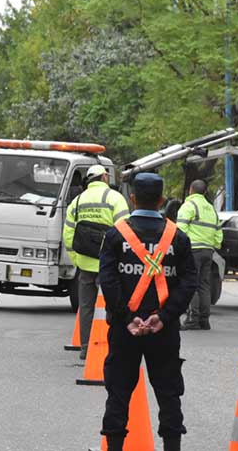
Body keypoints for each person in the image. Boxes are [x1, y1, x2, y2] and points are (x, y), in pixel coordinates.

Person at [98, 172, 197, 451]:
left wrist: (127, 318)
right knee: (168, 393)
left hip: (124, 330)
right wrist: (164, 317)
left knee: (118, 392)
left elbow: (107, 280)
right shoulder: (178, 238)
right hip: (162, 331)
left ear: (132, 198)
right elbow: (190, 281)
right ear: (162, 200)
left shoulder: (116, 236)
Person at [62, 165, 130, 360]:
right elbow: (125, 231)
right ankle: (111, 348)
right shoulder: (115, 198)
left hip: (85, 264)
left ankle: (85, 348)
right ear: (104, 177)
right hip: (109, 265)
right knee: (112, 306)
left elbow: (68, 235)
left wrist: (77, 259)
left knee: (86, 307)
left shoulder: (77, 202)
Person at [176, 179, 222, 330]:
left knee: (191, 284)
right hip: (208, 251)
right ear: (204, 192)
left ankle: (192, 319)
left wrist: (182, 248)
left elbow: (180, 230)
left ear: (191, 190)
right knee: (204, 285)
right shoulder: (211, 209)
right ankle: (204, 320)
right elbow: (218, 233)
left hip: (193, 250)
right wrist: (212, 246)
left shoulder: (189, 205)